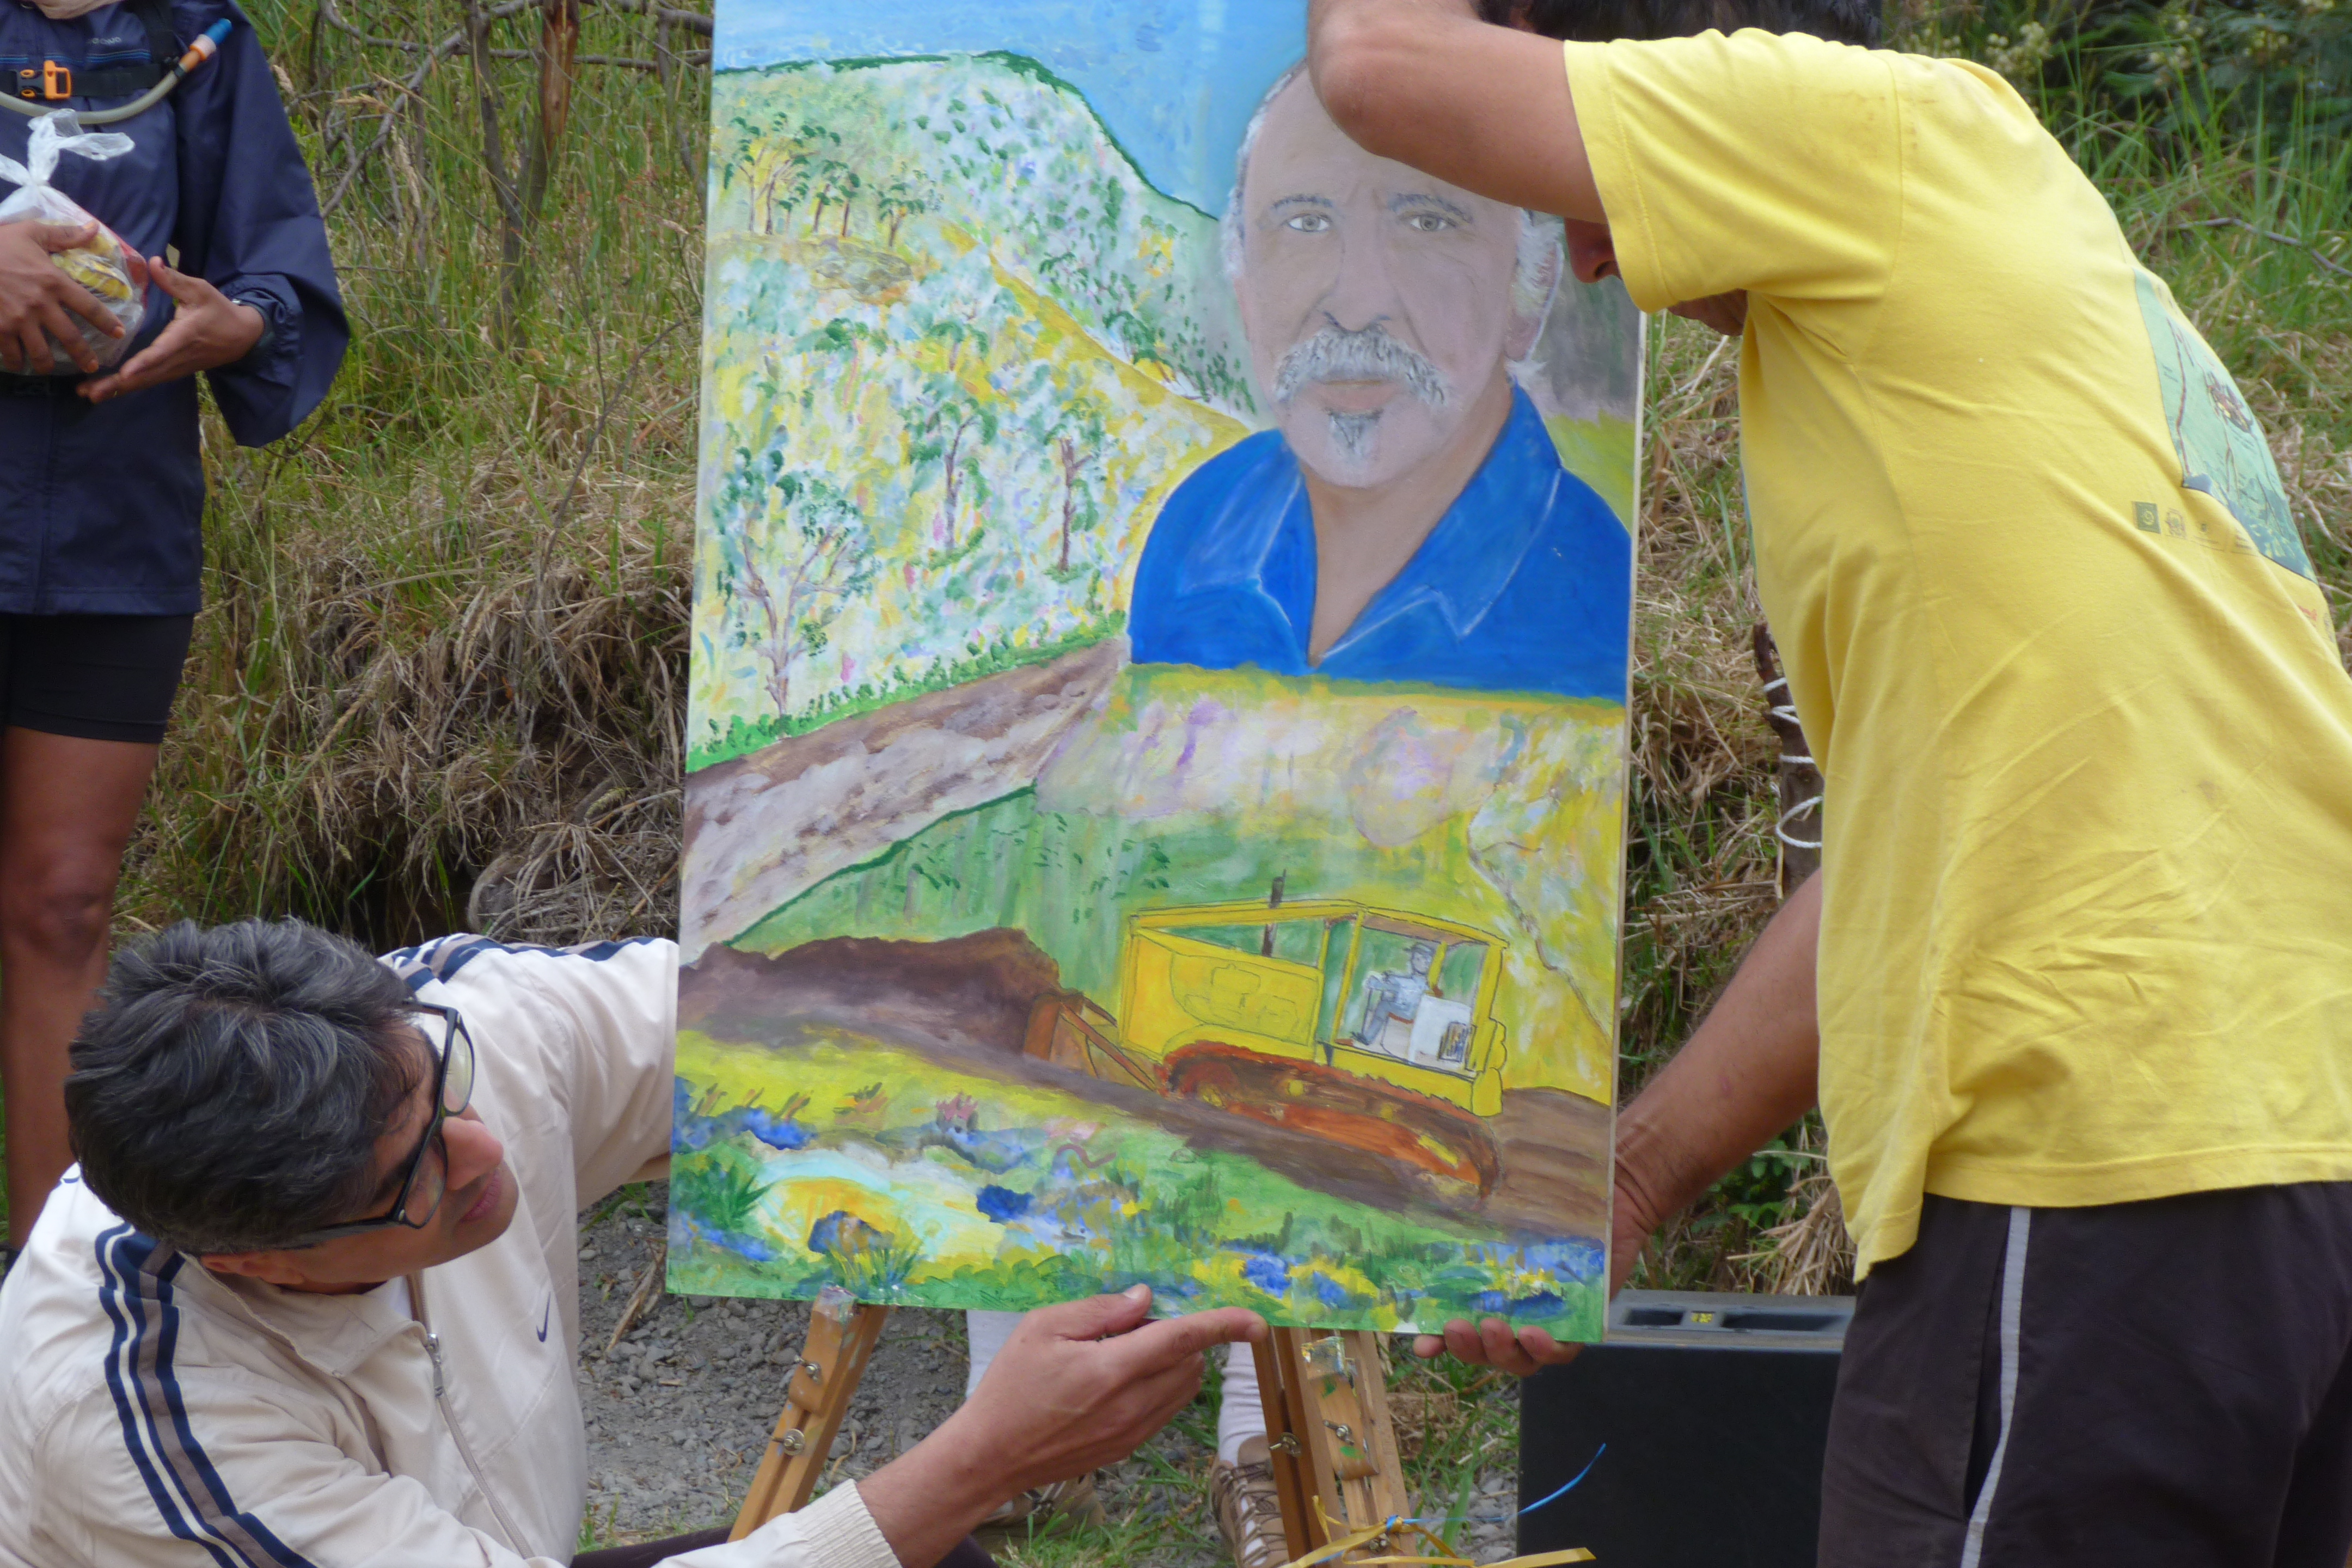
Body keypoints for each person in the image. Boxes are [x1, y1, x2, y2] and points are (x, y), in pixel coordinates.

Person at [1305, 0, 2352, 1561]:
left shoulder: (1874, 126)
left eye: (1570, 183)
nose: (1589, 259)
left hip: (2096, 1168)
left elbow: (1379, 65)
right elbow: (1895, 866)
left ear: (1700, 71)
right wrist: (1633, 1177)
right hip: (2266, 1166)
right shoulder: (1959, 302)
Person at [0, 921, 1264, 1568]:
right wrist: (988, 1452)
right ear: (256, 1261)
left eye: (442, 1087)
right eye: (414, 1176)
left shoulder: (459, 1027)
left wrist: (998, 986)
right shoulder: (141, 1415)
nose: (481, 1151)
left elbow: (754, 1021)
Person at [0, 0, 344, 1267]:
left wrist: (238, 322)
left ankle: (53, 1307)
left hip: (112, 528)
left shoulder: (197, 36)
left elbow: (276, 270)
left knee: (64, 905)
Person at [1125, 63, 1628, 701]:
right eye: (1305, 222)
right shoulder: (1199, 530)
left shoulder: (1593, 604)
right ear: (1244, 284)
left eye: (1428, 222)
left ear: (1528, 293)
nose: (1357, 303)